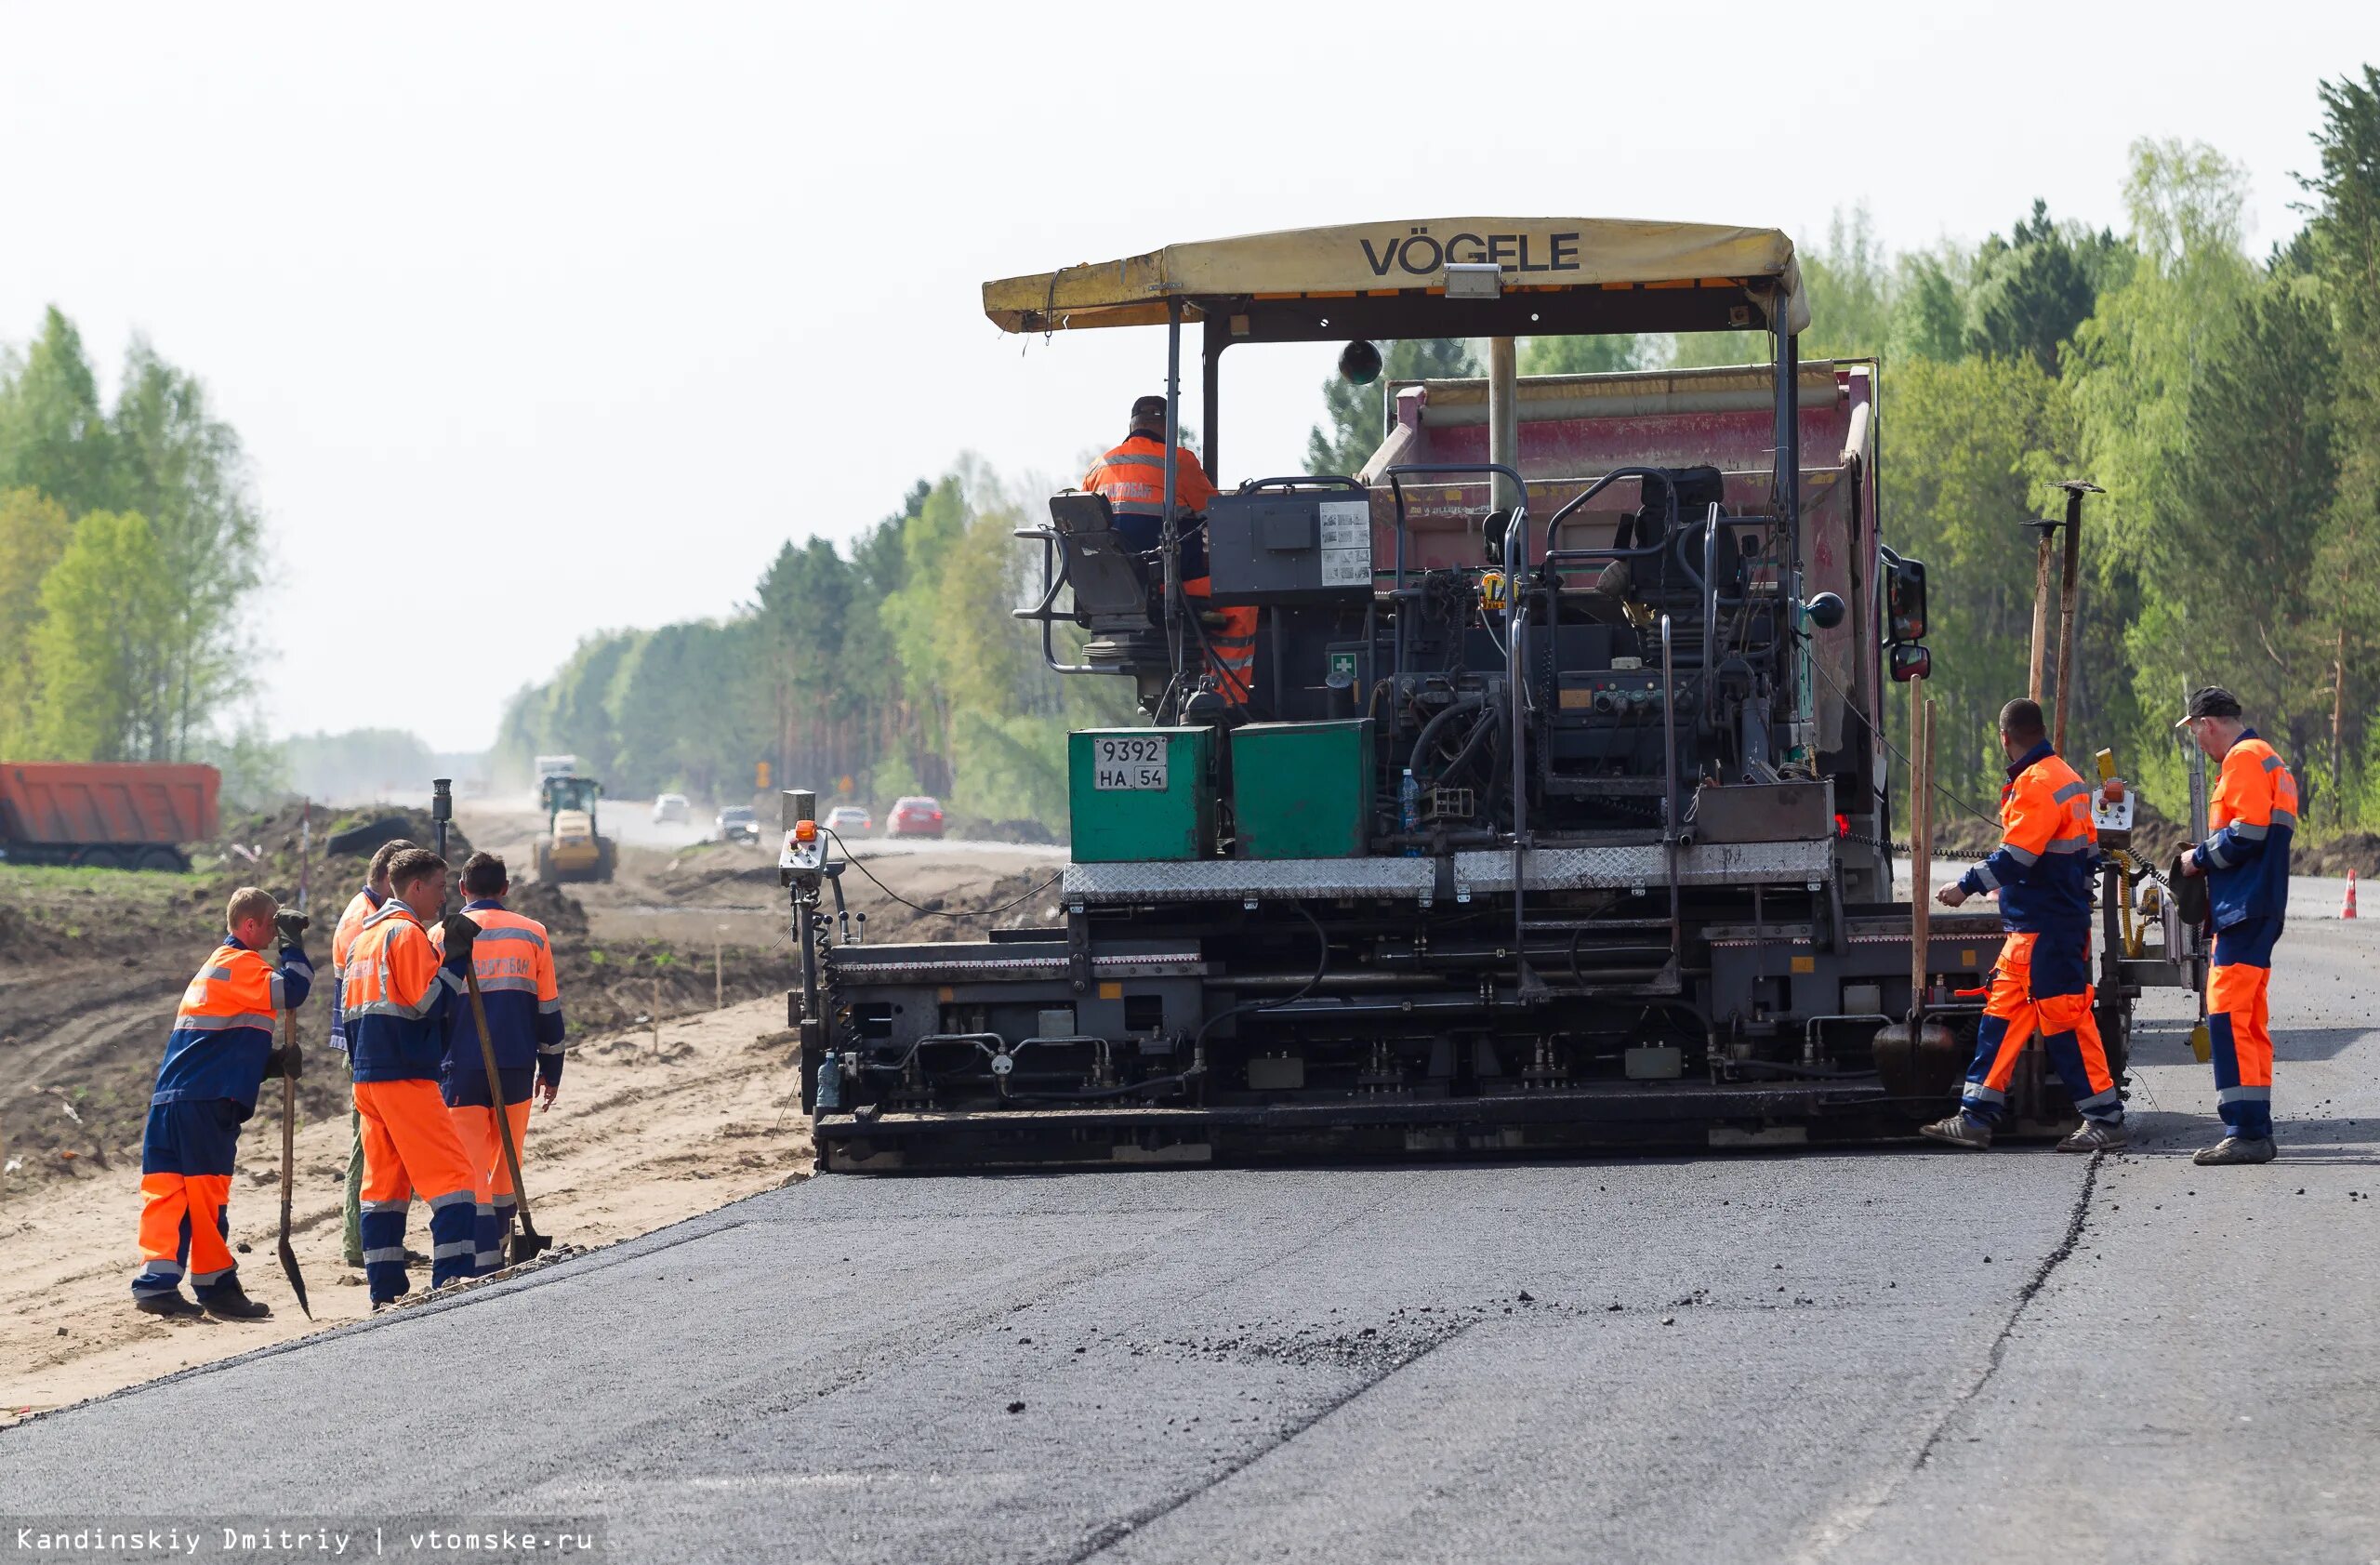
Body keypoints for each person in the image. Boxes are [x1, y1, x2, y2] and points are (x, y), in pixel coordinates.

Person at [1924, 698, 2126, 1152]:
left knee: (2066, 1022)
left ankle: (2105, 1119)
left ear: (2004, 738)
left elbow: (2017, 857)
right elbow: (2090, 853)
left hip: (2044, 930)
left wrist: (1966, 886)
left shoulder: (2035, 783)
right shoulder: (2068, 778)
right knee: (2000, 1017)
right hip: (2041, 927)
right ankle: (1975, 1117)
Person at [131, 888, 312, 1319]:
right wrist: (293, 946)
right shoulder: (241, 965)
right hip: (206, 1102)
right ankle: (216, 1287)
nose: (272, 933)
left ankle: (156, 1285)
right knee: (207, 1195)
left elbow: (215, 1042)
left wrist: (267, 1063)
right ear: (249, 925)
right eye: (271, 924)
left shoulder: (214, 968)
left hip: (172, 1099)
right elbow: (293, 992)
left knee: (167, 1193)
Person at [341, 848, 481, 1306]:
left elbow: (351, 1016)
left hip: (367, 1078)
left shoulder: (364, 939)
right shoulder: (405, 934)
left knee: (383, 1187)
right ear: (416, 887)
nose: (444, 899)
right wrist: (456, 959)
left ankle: (385, 1292)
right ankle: (455, 1280)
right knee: (454, 1175)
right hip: (404, 1074)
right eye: (440, 888)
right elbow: (427, 1002)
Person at [2176, 685, 2298, 1165]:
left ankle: (2245, 1130)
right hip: (2258, 905)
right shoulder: (2269, 759)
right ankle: (2254, 1129)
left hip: (2244, 907)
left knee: (2226, 1013)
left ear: (2206, 724)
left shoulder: (2244, 758)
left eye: (2197, 735)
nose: (2200, 746)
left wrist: (2196, 858)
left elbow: (2247, 832)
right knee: (2246, 1018)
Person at [431, 852, 565, 1274]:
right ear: (505, 889)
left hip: (458, 1070)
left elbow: (431, 1009)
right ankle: (500, 1243)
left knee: (470, 1163)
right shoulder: (533, 934)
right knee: (508, 1158)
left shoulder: (438, 935)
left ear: (462, 889)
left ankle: (480, 1253)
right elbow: (549, 1009)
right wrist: (552, 1069)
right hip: (515, 1066)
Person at [1082, 394, 1257, 705]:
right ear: (1166, 426)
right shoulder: (1178, 462)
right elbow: (1218, 514)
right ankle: (1227, 699)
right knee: (1243, 597)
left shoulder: (1097, 468)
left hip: (1111, 593)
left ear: (1133, 425)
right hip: (1165, 585)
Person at [328, 838, 416, 1269]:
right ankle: (359, 1242)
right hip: (370, 1047)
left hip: (362, 1042)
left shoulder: (358, 911)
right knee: (370, 1148)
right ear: (386, 878)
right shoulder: (369, 919)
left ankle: (373, 1239)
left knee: (375, 1147)